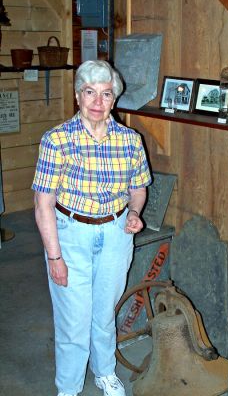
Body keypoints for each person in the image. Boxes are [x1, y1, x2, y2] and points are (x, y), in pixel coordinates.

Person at [32, 60, 152, 396]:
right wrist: (54, 256)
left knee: (104, 313)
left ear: (114, 99)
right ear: (77, 96)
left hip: (116, 235)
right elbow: (43, 204)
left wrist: (134, 211)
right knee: (74, 320)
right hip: (71, 235)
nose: (98, 102)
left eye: (106, 94)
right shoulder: (56, 140)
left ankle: (104, 373)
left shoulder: (130, 140)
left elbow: (139, 187)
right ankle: (68, 389)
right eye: (90, 92)